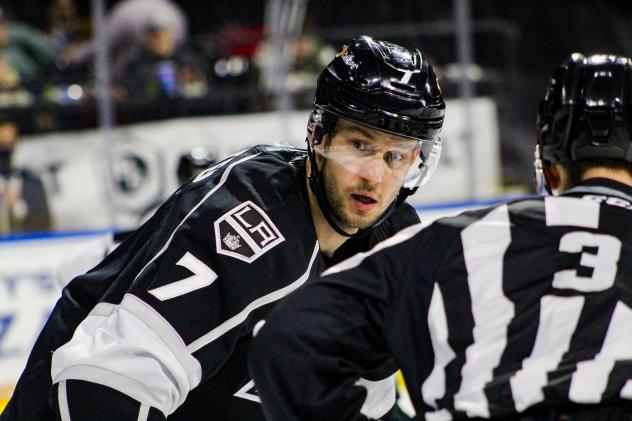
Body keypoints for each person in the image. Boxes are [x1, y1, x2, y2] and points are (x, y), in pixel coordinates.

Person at [0, 35, 445, 420]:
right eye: (359, 145)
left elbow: (365, 408)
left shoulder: (394, 247)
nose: (375, 176)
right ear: (319, 136)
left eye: (396, 156)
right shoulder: (246, 222)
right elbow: (99, 387)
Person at [249, 53, 632, 421]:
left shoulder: (459, 239)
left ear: (549, 170)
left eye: (395, 156)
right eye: (361, 146)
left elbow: (287, 343)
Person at [0, 119, 50, 234]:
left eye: (9, 142)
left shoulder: (33, 184)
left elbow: (44, 230)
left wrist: (18, 205)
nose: (5, 148)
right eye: (1, 143)